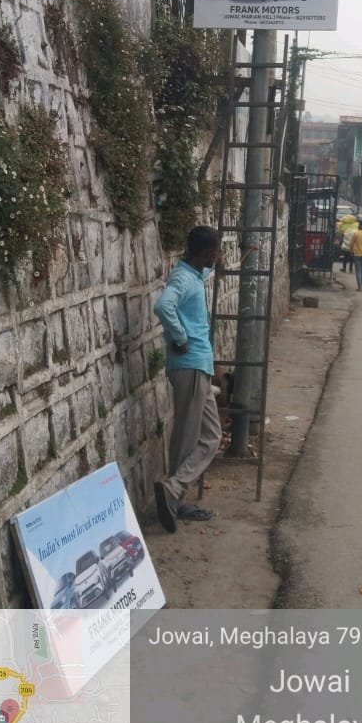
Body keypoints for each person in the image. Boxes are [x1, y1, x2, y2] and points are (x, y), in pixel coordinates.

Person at [152, 225, 223, 533]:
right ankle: (175, 495)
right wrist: (179, 338)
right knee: (186, 435)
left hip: (199, 366)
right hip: (190, 365)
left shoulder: (193, 275)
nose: (219, 256)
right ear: (207, 253)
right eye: (217, 252)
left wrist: (216, 268)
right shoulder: (182, 278)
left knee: (210, 437)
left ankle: (175, 489)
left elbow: (195, 283)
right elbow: (163, 305)